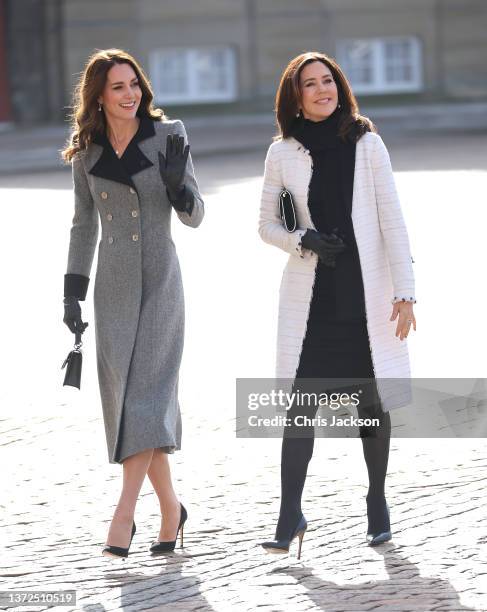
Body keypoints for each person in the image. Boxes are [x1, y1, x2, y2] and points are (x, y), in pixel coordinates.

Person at [258, 51, 416, 558]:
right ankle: (289, 514)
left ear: (339, 87)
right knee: (299, 410)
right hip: (311, 300)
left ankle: (376, 504)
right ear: (296, 95)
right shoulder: (282, 152)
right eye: (311, 84)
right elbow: (266, 226)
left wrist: (405, 293)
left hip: (364, 296)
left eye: (329, 81)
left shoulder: (367, 143)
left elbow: (393, 220)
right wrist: (302, 239)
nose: (323, 90)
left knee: (371, 407)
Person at [61, 48, 204, 559]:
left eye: (134, 84)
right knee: (129, 401)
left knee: (145, 397)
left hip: (162, 280)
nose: (130, 95)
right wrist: (72, 292)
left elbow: (195, 215)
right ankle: (171, 509)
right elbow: (83, 223)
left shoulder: (170, 135)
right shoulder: (87, 153)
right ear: (99, 95)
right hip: (113, 286)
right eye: (118, 87)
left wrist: (177, 189)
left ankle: (124, 515)